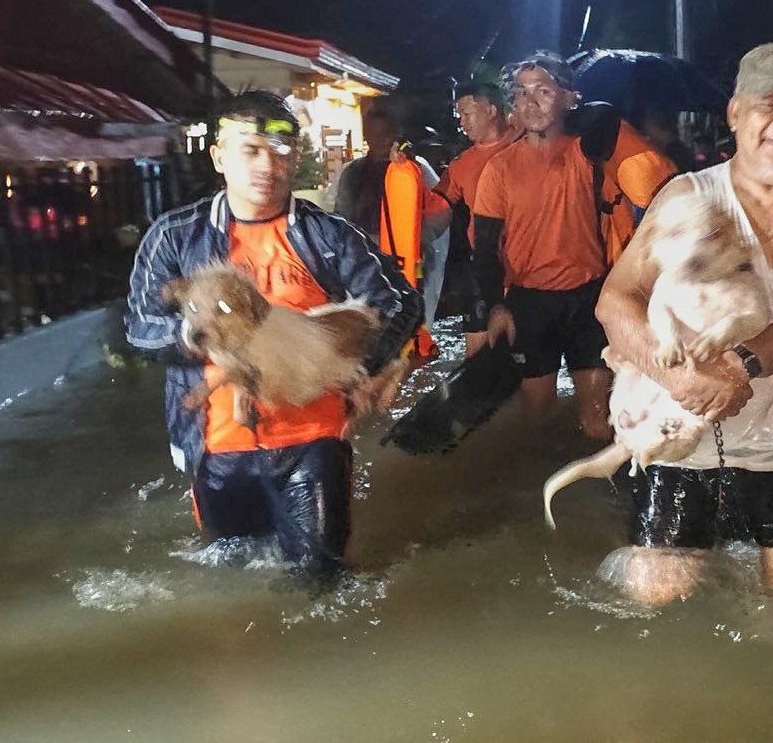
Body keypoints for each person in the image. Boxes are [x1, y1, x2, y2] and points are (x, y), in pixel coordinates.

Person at [595, 42, 773, 604]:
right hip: (682, 449)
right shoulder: (685, 195)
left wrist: (740, 364)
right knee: (650, 620)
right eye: (768, 105)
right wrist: (674, 376)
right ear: (734, 114)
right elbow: (616, 300)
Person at [125, 91, 422, 579]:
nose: (267, 164)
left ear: (296, 158)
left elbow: (400, 301)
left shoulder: (329, 235)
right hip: (216, 448)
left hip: (314, 437)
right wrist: (206, 337)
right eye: (250, 149)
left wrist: (364, 372)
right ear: (219, 157)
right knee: (232, 579)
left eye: (280, 150)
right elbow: (139, 329)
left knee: (322, 585)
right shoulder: (174, 236)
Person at [472, 52, 674, 440]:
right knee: (538, 414)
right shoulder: (499, 169)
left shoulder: (594, 154)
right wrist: (495, 306)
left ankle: (602, 492)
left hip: (590, 299)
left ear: (570, 99)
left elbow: (657, 186)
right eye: (521, 93)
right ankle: (538, 490)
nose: (531, 102)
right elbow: (484, 247)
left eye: (544, 91)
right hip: (529, 303)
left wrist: (613, 124)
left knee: (598, 420)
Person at [328, 104, 449, 357]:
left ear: (395, 132)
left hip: (409, 262)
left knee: (411, 331)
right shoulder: (353, 173)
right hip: (365, 265)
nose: (379, 140)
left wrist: (416, 240)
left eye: (385, 133)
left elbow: (442, 212)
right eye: (372, 134)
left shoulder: (415, 168)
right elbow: (341, 217)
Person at [435, 81, 523, 357]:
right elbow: (437, 205)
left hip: (530, 267)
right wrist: (404, 177)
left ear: (491, 110)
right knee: (478, 357)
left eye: (467, 114)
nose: (461, 122)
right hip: (486, 267)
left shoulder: (527, 143)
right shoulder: (460, 165)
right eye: (458, 115)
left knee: (530, 358)